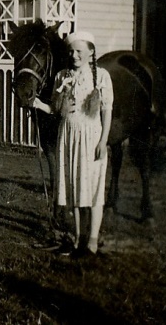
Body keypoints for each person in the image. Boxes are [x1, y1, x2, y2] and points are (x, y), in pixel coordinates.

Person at [32, 31, 113, 258]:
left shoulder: (101, 77)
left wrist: (103, 140)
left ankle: (93, 242)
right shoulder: (61, 76)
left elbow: (107, 111)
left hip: (91, 138)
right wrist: (38, 103)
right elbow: (57, 110)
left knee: (94, 189)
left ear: (91, 52)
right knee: (74, 187)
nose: (74, 55)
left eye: (79, 51)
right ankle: (78, 239)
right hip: (67, 137)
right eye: (71, 51)